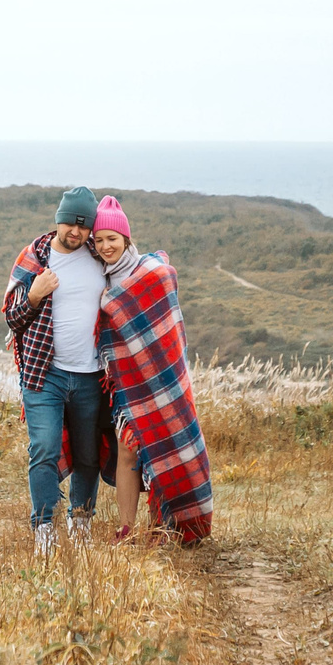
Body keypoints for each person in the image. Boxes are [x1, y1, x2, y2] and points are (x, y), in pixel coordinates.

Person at [90, 196, 213, 545]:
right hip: (126, 384)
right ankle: (127, 529)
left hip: (161, 381)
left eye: (111, 238)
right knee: (127, 448)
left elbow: (168, 331)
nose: (105, 246)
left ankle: (169, 526)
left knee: (165, 449)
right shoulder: (100, 279)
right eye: (98, 240)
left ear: (126, 239)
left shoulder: (152, 273)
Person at [3, 185, 116, 553]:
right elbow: (12, 317)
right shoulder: (35, 257)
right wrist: (35, 295)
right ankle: (45, 531)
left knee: (88, 455)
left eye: (84, 226)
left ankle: (80, 523)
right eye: (70, 223)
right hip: (43, 373)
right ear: (58, 220)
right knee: (45, 449)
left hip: (90, 375)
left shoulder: (100, 259)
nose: (76, 232)